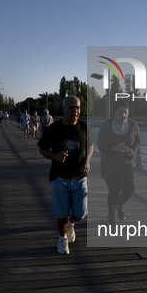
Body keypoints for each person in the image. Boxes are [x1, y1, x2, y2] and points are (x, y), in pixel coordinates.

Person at [38, 96, 93, 255]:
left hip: (80, 177)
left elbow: (91, 145)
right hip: (59, 177)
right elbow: (42, 149)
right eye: (71, 108)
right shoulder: (53, 129)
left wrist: (87, 160)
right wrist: (55, 156)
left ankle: (71, 223)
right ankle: (62, 240)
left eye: (77, 107)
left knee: (81, 213)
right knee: (61, 214)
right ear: (63, 110)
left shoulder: (84, 127)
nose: (75, 111)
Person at [97, 100, 140, 224]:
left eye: (125, 112)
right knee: (115, 189)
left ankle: (120, 205)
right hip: (110, 164)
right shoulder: (107, 126)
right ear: (115, 112)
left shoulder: (133, 125)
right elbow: (100, 143)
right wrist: (113, 148)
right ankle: (111, 215)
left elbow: (137, 141)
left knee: (130, 188)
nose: (123, 115)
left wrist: (132, 150)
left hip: (127, 164)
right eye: (120, 112)